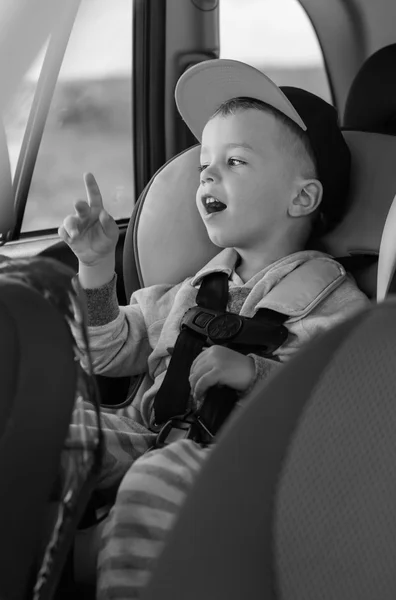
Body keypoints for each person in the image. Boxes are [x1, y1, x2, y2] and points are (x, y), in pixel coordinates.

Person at [59, 59, 369, 598]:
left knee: (154, 480)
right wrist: (95, 266)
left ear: (302, 198)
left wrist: (255, 372)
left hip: (234, 464)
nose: (206, 174)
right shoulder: (194, 288)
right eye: (205, 162)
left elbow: (342, 401)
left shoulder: (332, 297)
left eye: (235, 161)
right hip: (148, 434)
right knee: (55, 428)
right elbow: (105, 351)